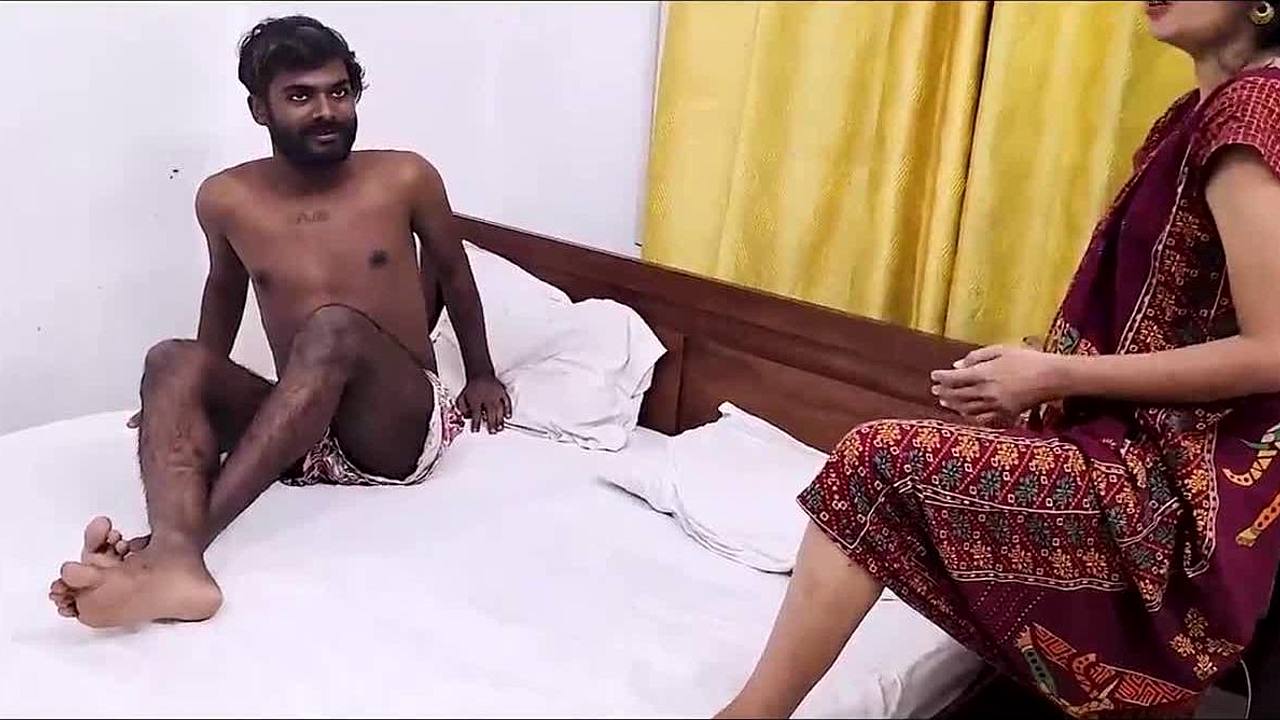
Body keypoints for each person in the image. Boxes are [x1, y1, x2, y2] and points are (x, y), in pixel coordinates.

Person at [719, 1, 1280, 717]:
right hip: (1138, 451)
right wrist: (1042, 367)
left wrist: (1058, 375)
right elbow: (1174, 316)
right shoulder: (1195, 114)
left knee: (875, 464)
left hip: (1172, 494)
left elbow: (1273, 351)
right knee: (901, 478)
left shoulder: (1251, 115)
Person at [47, 16, 511, 629]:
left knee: (333, 327)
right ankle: (173, 568)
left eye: (339, 92)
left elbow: (454, 273)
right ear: (259, 109)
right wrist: (191, 394)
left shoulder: (405, 177)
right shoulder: (224, 199)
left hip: (394, 429)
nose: (326, 111)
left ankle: (166, 557)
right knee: (169, 359)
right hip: (301, 428)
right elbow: (224, 290)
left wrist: (481, 374)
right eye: (300, 96)